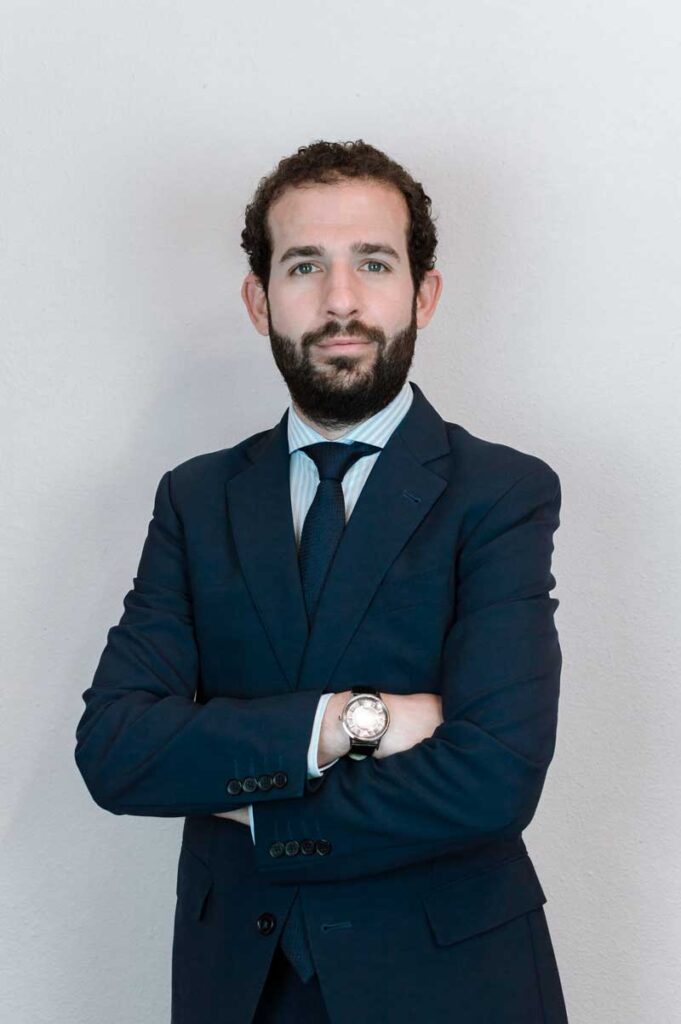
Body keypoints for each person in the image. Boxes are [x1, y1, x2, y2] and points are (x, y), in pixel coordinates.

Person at [75, 139, 569, 1023]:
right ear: (259, 300)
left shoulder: (500, 492)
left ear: (423, 293)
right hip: (239, 987)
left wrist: (257, 811)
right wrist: (349, 720)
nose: (340, 299)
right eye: (304, 265)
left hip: (451, 987)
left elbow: (494, 776)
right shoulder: (196, 498)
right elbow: (116, 750)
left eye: (372, 263)